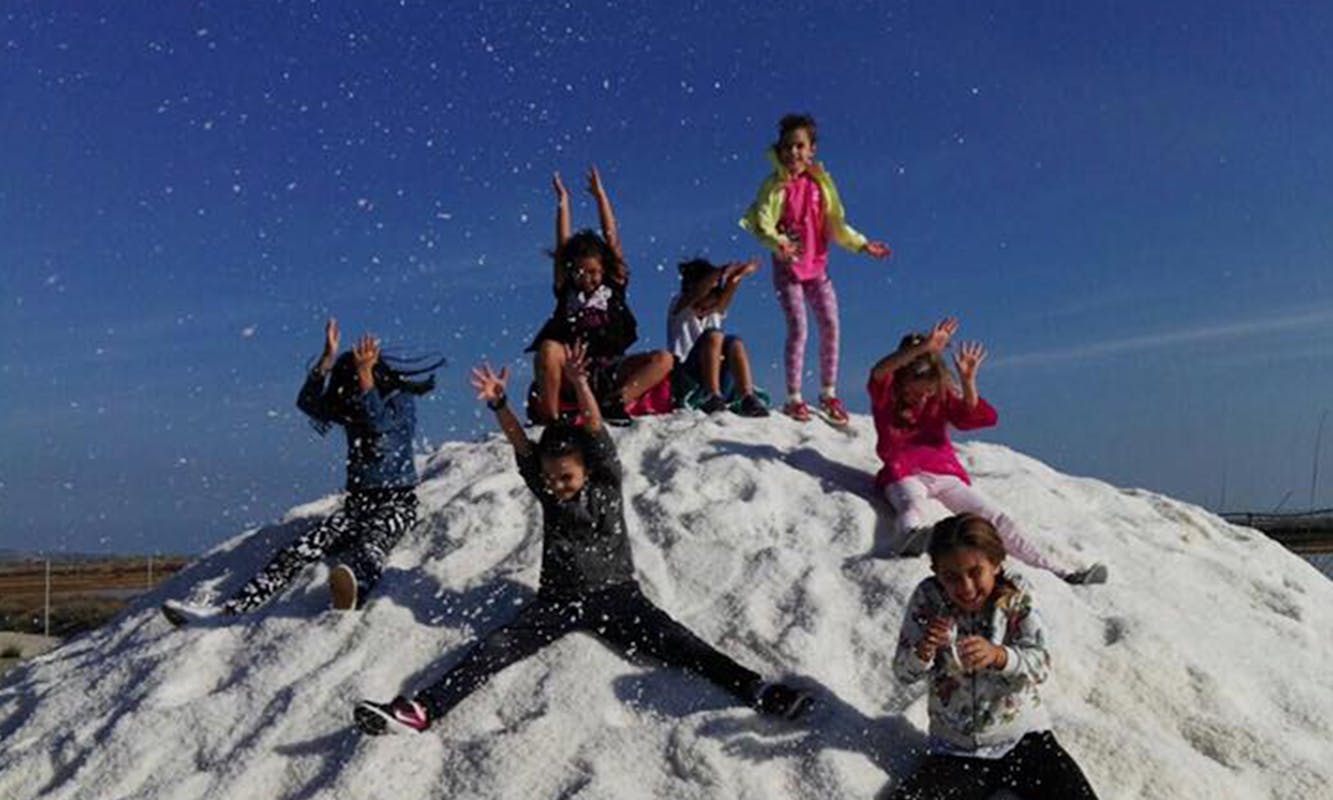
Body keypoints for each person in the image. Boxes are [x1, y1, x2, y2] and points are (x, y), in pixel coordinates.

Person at [354, 345, 809, 735]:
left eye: (566, 477)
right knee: (492, 650)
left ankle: (757, 689)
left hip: (619, 597)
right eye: (550, 479)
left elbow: (593, 427)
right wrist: (499, 405)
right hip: (556, 602)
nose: (557, 485)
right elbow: (521, 445)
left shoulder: (605, 479)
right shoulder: (548, 489)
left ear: (587, 468)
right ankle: (422, 710)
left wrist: (581, 384)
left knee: (683, 645)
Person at [161, 318, 438, 624]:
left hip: (397, 502)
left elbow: (379, 426)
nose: (351, 392)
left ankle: (353, 589)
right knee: (296, 551)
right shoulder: (356, 402)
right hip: (357, 504)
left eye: (355, 382)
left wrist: (364, 374)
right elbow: (309, 403)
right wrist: (326, 360)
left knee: (371, 546)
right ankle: (229, 611)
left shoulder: (399, 401)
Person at [868, 317, 1106, 584]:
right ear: (902, 380)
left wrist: (968, 380)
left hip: (945, 474)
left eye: (929, 390)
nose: (923, 397)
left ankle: (1061, 572)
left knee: (996, 518)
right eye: (917, 391)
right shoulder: (886, 393)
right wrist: (922, 348)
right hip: (903, 473)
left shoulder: (940, 395)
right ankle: (911, 537)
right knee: (912, 504)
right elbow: (880, 371)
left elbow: (973, 417)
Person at [886, 513, 1100, 799]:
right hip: (956, 752)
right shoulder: (928, 598)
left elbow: (1040, 664)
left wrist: (999, 656)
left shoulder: (1015, 593)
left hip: (1024, 742)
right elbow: (902, 673)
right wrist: (923, 651)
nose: (966, 587)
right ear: (936, 570)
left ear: (997, 564)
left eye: (975, 572)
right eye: (951, 577)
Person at [740, 112, 891, 426]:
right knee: (799, 328)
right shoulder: (775, 185)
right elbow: (763, 220)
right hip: (788, 269)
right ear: (779, 151)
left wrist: (863, 245)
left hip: (817, 268)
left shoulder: (821, 185)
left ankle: (828, 392)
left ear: (811, 150)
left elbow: (836, 225)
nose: (793, 153)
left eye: (799, 146)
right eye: (787, 147)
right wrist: (778, 241)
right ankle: (794, 397)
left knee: (831, 325)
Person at [526, 167, 673, 423]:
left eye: (593, 272)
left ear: (603, 268)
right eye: (580, 272)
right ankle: (550, 416)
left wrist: (600, 196)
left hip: (609, 371)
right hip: (573, 371)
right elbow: (562, 248)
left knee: (664, 359)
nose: (586, 278)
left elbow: (612, 239)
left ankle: (615, 402)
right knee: (548, 348)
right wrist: (564, 201)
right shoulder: (567, 291)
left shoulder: (612, 287)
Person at [666, 256, 769, 416]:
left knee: (735, 342)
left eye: (711, 304)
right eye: (703, 303)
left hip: (720, 381)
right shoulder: (680, 307)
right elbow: (698, 291)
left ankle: (747, 397)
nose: (706, 309)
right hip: (689, 379)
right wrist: (721, 271)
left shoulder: (714, 313)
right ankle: (711, 395)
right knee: (713, 336)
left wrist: (737, 276)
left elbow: (726, 295)